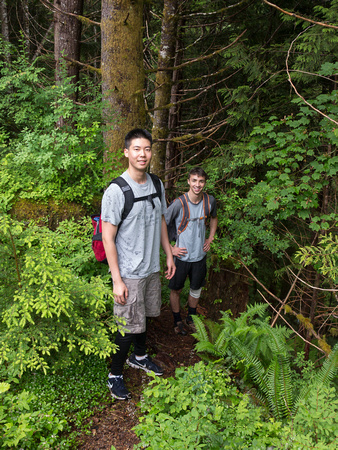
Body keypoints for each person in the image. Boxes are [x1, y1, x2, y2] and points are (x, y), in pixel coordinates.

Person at [101, 128, 175, 400]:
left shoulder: (157, 184)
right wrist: (117, 279)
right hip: (129, 272)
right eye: (136, 149)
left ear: (151, 152)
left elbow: (162, 222)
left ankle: (140, 357)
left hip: (151, 268)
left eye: (146, 149)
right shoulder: (116, 191)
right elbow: (108, 238)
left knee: (143, 317)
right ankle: (115, 374)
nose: (142, 154)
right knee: (127, 325)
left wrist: (168, 254)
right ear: (126, 152)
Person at [164, 167, 217, 335]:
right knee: (176, 289)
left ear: (205, 183)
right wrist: (171, 249)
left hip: (200, 256)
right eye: (194, 180)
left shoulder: (210, 201)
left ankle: (191, 318)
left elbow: (214, 218)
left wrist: (211, 238)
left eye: (201, 181)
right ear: (188, 181)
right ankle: (177, 320)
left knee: (196, 289)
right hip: (181, 257)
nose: (197, 185)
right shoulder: (179, 203)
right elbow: (162, 224)